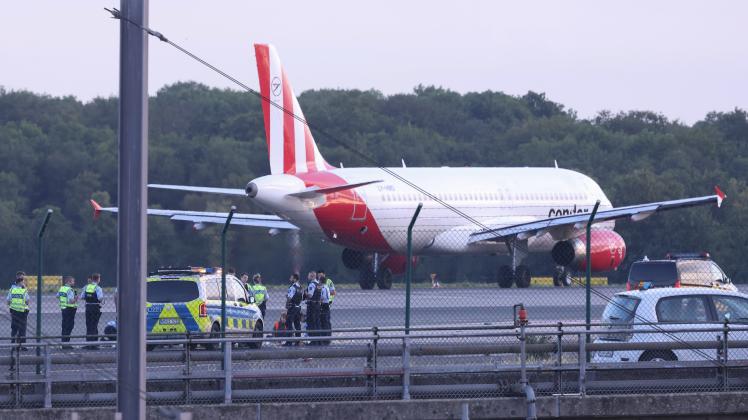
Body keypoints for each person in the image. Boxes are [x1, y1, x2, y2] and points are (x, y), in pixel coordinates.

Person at [7, 271, 30, 349]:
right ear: (20, 279)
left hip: (14, 310)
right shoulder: (23, 289)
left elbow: (8, 301)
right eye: (23, 278)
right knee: (21, 329)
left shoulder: (12, 289)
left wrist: (13, 306)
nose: (24, 280)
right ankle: (22, 345)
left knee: (15, 328)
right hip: (22, 311)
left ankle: (14, 345)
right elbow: (27, 302)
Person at [82, 273, 105, 349]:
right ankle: (94, 344)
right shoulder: (98, 288)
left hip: (88, 307)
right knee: (94, 325)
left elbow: (82, 297)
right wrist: (103, 301)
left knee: (88, 325)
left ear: (92, 279)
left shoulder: (86, 287)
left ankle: (88, 343)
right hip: (95, 307)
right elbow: (100, 298)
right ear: (98, 279)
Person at [57, 275, 78, 347]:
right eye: (73, 281)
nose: (74, 282)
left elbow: (57, 296)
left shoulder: (61, 288)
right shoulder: (70, 290)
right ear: (69, 282)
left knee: (64, 326)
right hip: (70, 309)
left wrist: (63, 300)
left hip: (63, 308)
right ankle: (66, 343)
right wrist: (76, 299)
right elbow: (71, 301)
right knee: (69, 326)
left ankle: (64, 343)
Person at [284, 273, 303, 346]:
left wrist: (287, 304)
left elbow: (290, 297)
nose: (290, 279)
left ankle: (289, 341)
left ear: (294, 279)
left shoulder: (292, 287)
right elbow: (301, 297)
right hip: (298, 307)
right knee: (297, 324)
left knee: (289, 323)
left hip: (292, 308)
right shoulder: (300, 287)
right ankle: (298, 341)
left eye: (291, 278)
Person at [305, 271, 321, 345]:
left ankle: (313, 340)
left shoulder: (312, 284)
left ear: (312, 276)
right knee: (317, 322)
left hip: (312, 305)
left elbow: (310, 295)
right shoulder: (319, 284)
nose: (307, 277)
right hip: (318, 305)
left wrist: (305, 293)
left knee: (311, 322)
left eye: (308, 276)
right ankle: (318, 340)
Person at [319, 275, 332, 345]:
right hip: (327, 304)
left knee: (324, 322)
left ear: (320, 281)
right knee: (326, 322)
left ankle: (324, 339)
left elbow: (322, 297)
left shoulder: (323, 288)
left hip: (323, 305)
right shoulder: (327, 287)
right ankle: (327, 338)